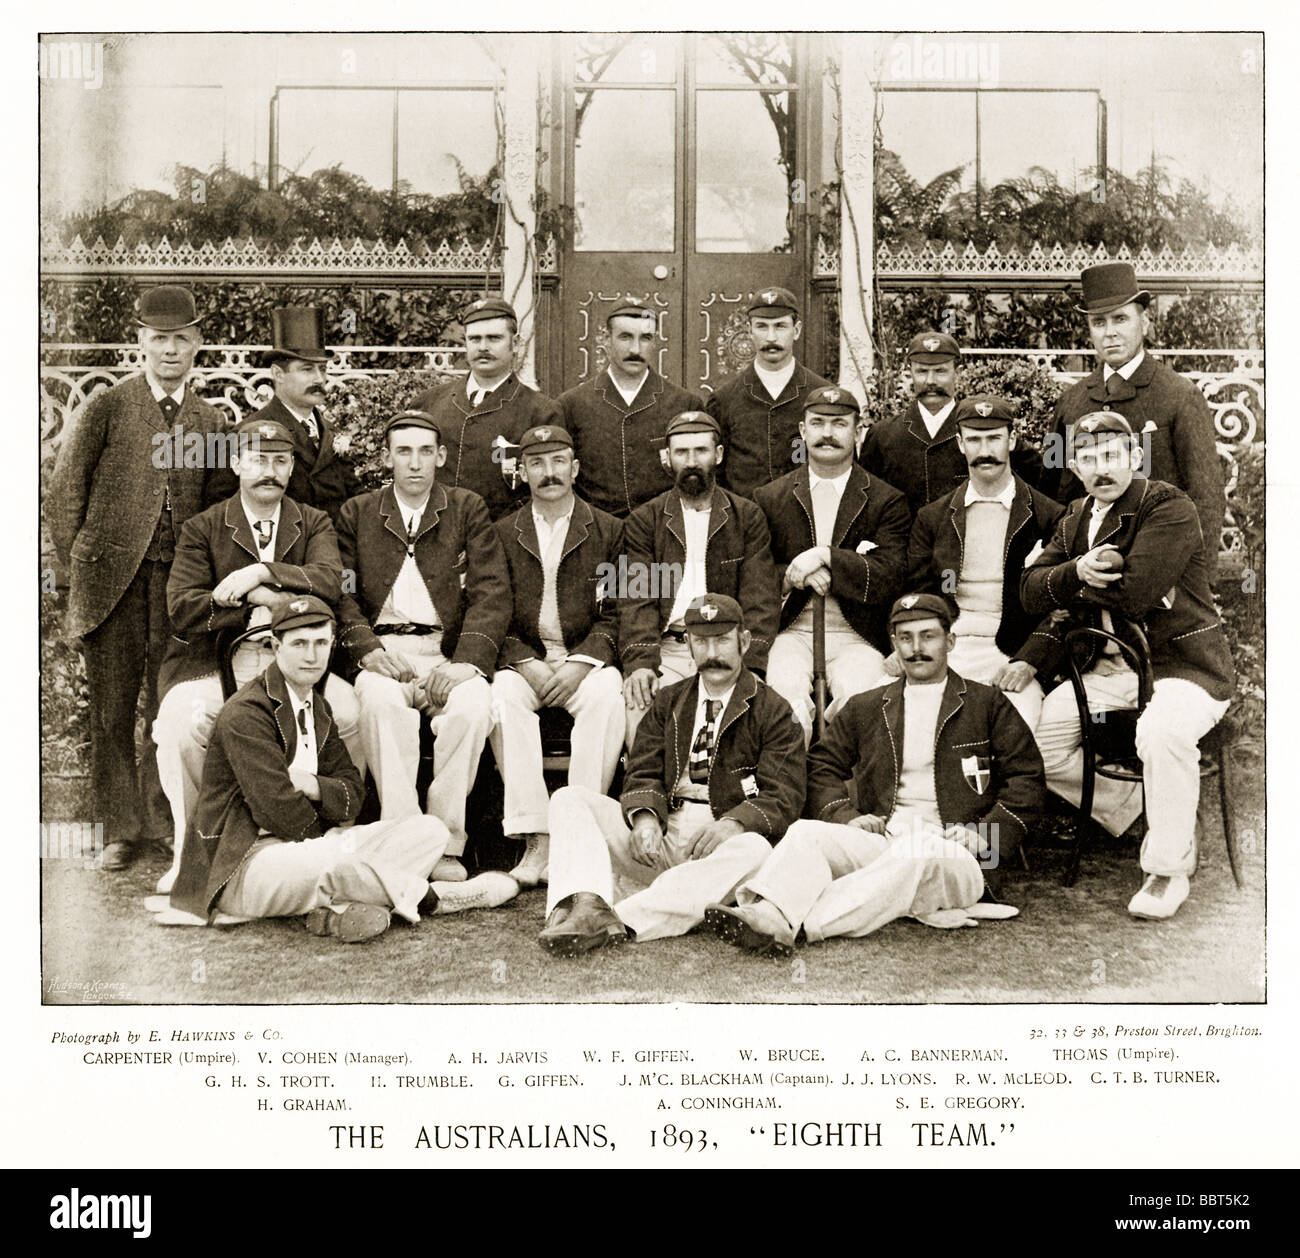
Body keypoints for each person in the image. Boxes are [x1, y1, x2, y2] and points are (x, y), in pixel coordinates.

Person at [705, 593, 1043, 955]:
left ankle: (797, 923)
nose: (916, 648)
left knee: (919, 850)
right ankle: (769, 911)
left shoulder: (986, 704)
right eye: (905, 638)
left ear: (950, 641)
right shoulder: (869, 706)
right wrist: (846, 816)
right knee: (807, 833)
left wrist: (985, 834)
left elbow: (1027, 778)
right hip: (886, 841)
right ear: (894, 645)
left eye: (928, 636)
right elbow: (821, 764)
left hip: (959, 854)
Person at [1021, 411, 1235, 920]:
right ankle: (1153, 811)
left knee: (1160, 733)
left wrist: (1067, 575)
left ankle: (1167, 868)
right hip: (1111, 671)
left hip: (1182, 667)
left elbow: (1137, 592)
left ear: (1136, 458)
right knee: (1034, 746)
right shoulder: (1075, 516)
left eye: (1113, 456)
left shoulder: (1167, 504)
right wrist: (1077, 568)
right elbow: (1028, 594)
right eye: (1089, 458)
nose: (1102, 469)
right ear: (1073, 464)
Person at [151, 596, 451, 942]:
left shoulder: (319, 707)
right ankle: (433, 900)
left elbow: (354, 795)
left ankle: (337, 908)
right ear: (277, 647)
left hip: (309, 847)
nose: (311, 655)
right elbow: (278, 810)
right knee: (335, 865)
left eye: (321, 643)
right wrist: (331, 837)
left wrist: (313, 785)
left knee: (430, 831)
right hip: (246, 863)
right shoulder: (245, 713)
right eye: (299, 644)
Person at [49, 284, 224, 871]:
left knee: (168, 704)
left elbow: (216, 507)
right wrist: (70, 578)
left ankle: (162, 821)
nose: (170, 350)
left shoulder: (210, 419)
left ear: (197, 344)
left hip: (175, 587)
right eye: (159, 339)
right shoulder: (108, 405)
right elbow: (66, 490)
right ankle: (120, 829)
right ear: (141, 343)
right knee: (112, 709)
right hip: (111, 581)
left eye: (181, 339)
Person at [152, 416, 364, 894]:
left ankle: (332, 839)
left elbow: (330, 581)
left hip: (297, 662)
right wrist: (256, 598)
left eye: (280, 461)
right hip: (218, 662)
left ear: (291, 468)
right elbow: (183, 608)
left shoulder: (313, 521)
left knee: (350, 712)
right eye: (258, 459)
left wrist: (261, 571)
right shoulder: (202, 527)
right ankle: (194, 852)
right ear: (236, 463)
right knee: (182, 723)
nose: (270, 470)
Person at [538, 595, 805, 955]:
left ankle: (622, 918)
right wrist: (646, 818)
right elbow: (643, 768)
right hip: (665, 831)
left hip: (720, 841)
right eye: (701, 642)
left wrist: (735, 823)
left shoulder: (773, 710)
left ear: (743, 641)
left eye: (723, 640)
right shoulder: (669, 701)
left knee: (755, 849)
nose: (712, 653)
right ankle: (583, 904)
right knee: (569, 798)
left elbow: (784, 796)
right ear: (690, 646)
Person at [335, 409, 510, 880]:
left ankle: (447, 844)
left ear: (441, 457)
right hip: (385, 652)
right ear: (386, 457)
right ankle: (402, 837)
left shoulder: (466, 508)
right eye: (404, 452)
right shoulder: (358, 513)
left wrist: (467, 662)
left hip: (445, 653)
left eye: (425, 452)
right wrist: (367, 650)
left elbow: (492, 591)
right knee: (379, 705)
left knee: (474, 709)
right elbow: (342, 592)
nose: (415, 463)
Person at [489, 423, 627, 890]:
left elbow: (619, 612)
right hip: (525, 661)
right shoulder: (502, 533)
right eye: (536, 464)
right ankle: (538, 837)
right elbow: (492, 612)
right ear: (521, 472)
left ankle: (579, 829)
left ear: (576, 468)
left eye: (558, 462)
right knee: (502, 696)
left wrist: (582, 663)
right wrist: (523, 661)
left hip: (583, 662)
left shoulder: (609, 530)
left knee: (609, 693)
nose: (549, 473)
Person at [753, 386, 910, 742]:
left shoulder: (886, 501)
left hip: (858, 635)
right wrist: (794, 577)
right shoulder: (769, 498)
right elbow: (755, 574)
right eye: (818, 423)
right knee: (784, 700)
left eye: (839, 424)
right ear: (802, 430)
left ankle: (843, 792)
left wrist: (826, 557)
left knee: (862, 698)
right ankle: (791, 793)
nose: (827, 433)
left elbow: (891, 576)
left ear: (857, 433)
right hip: (790, 631)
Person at [1039, 262, 1225, 561]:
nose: (1110, 333)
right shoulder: (1071, 403)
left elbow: (1206, 497)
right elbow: (1051, 496)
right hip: (1084, 579)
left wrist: (1196, 581)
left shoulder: (1179, 396)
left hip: (1159, 575)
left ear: (1145, 322)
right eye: (1099, 322)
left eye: (1120, 319)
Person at [901, 394, 1065, 729]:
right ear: (960, 444)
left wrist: (1030, 661)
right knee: (910, 723)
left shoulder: (1049, 516)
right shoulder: (933, 518)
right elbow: (920, 593)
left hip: (1010, 650)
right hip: (947, 645)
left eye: (994, 438)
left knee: (1016, 732)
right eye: (974, 439)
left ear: (1012, 440)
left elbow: (1061, 608)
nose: (984, 450)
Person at [619, 412, 780, 745]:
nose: (691, 462)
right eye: (681, 453)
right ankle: (648, 795)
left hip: (726, 643)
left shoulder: (745, 516)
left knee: (746, 717)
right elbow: (638, 599)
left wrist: (751, 665)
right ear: (667, 459)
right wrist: (641, 661)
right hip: (670, 649)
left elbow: (760, 599)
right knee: (641, 707)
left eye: (700, 451)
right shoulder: (644, 521)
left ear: (718, 455)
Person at [408, 297, 561, 522]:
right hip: (434, 535)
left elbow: (549, 492)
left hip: (503, 540)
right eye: (474, 339)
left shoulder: (541, 412)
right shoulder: (428, 404)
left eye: (494, 338)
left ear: (516, 344)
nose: (483, 348)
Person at [205, 306, 359, 521]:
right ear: (278, 374)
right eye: (307, 369)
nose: (319, 379)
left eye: (322, 369)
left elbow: (354, 498)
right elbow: (221, 509)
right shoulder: (246, 434)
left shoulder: (331, 431)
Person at [558, 298, 704, 517]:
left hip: (662, 534)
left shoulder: (684, 405)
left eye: (645, 338)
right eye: (625, 337)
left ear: (655, 342)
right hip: (599, 535)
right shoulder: (572, 405)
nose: (635, 349)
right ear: (606, 340)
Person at [705, 286, 834, 498]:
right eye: (762, 327)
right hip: (745, 522)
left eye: (781, 326)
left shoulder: (821, 394)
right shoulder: (724, 399)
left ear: (797, 330)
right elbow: (714, 472)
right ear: (749, 331)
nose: (771, 337)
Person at [859, 330, 969, 517]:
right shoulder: (882, 436)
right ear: (910, 373)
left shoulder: (977, 434)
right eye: (922, 371)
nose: (930, 381)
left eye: (940, 371)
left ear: (956, 374)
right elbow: (864, 503)